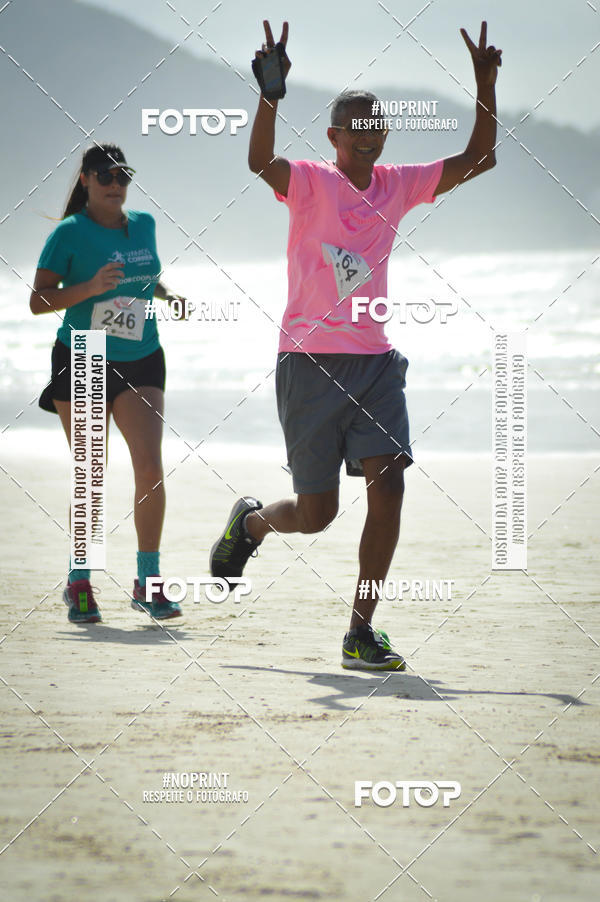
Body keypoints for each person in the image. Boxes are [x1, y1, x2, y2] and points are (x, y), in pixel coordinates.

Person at [210, 21, 501, 669]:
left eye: (377, 124)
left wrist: (485, 88)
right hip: (308, 365)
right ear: (335, 137)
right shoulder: (312, 182)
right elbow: (261, 161)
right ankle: (252, 523)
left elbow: (479, 160)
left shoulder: (398, 185)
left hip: (374, 365)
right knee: (316, 516)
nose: (368, 132)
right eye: (355, 124)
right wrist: (271, 95)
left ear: (384, 136)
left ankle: (359, 631)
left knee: (390, 485)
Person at [31, 143, 185, 623]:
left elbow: (143, 277)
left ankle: (148, 581)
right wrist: (91, 288)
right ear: (86, 181)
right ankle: (80, 579)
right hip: (84, 354)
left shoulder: (144, 225)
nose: (115, 183)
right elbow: (39, 299)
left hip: (142, 354)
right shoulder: (69, 233)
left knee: (150, 469)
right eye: (104, 175)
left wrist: (167, 291)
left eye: (122, 175)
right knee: (91, 473)